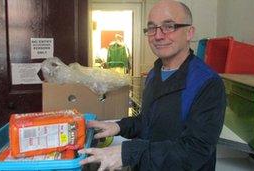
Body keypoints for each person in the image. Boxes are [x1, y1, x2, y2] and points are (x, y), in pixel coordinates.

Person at [78, 0, 226, 170]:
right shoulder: (154, 73)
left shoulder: (208, 83)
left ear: (189, 33)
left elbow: (195, 151)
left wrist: (129, 153)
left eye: (169, 26)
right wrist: (119, 126)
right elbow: (148, 120)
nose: (158, 35)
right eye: (152, 28)